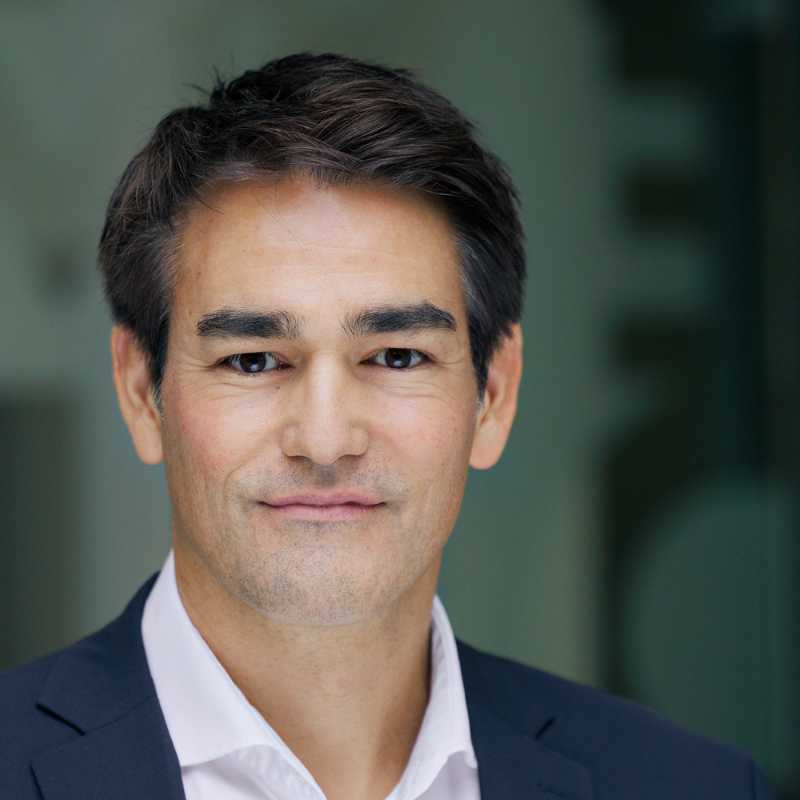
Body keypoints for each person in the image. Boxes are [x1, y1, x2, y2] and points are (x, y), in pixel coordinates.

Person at [1, 52, 773, 800]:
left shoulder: (692, 789)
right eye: (254, 360)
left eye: (398, 356)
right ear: (143, 392)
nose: (326, 440)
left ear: (494, 394)